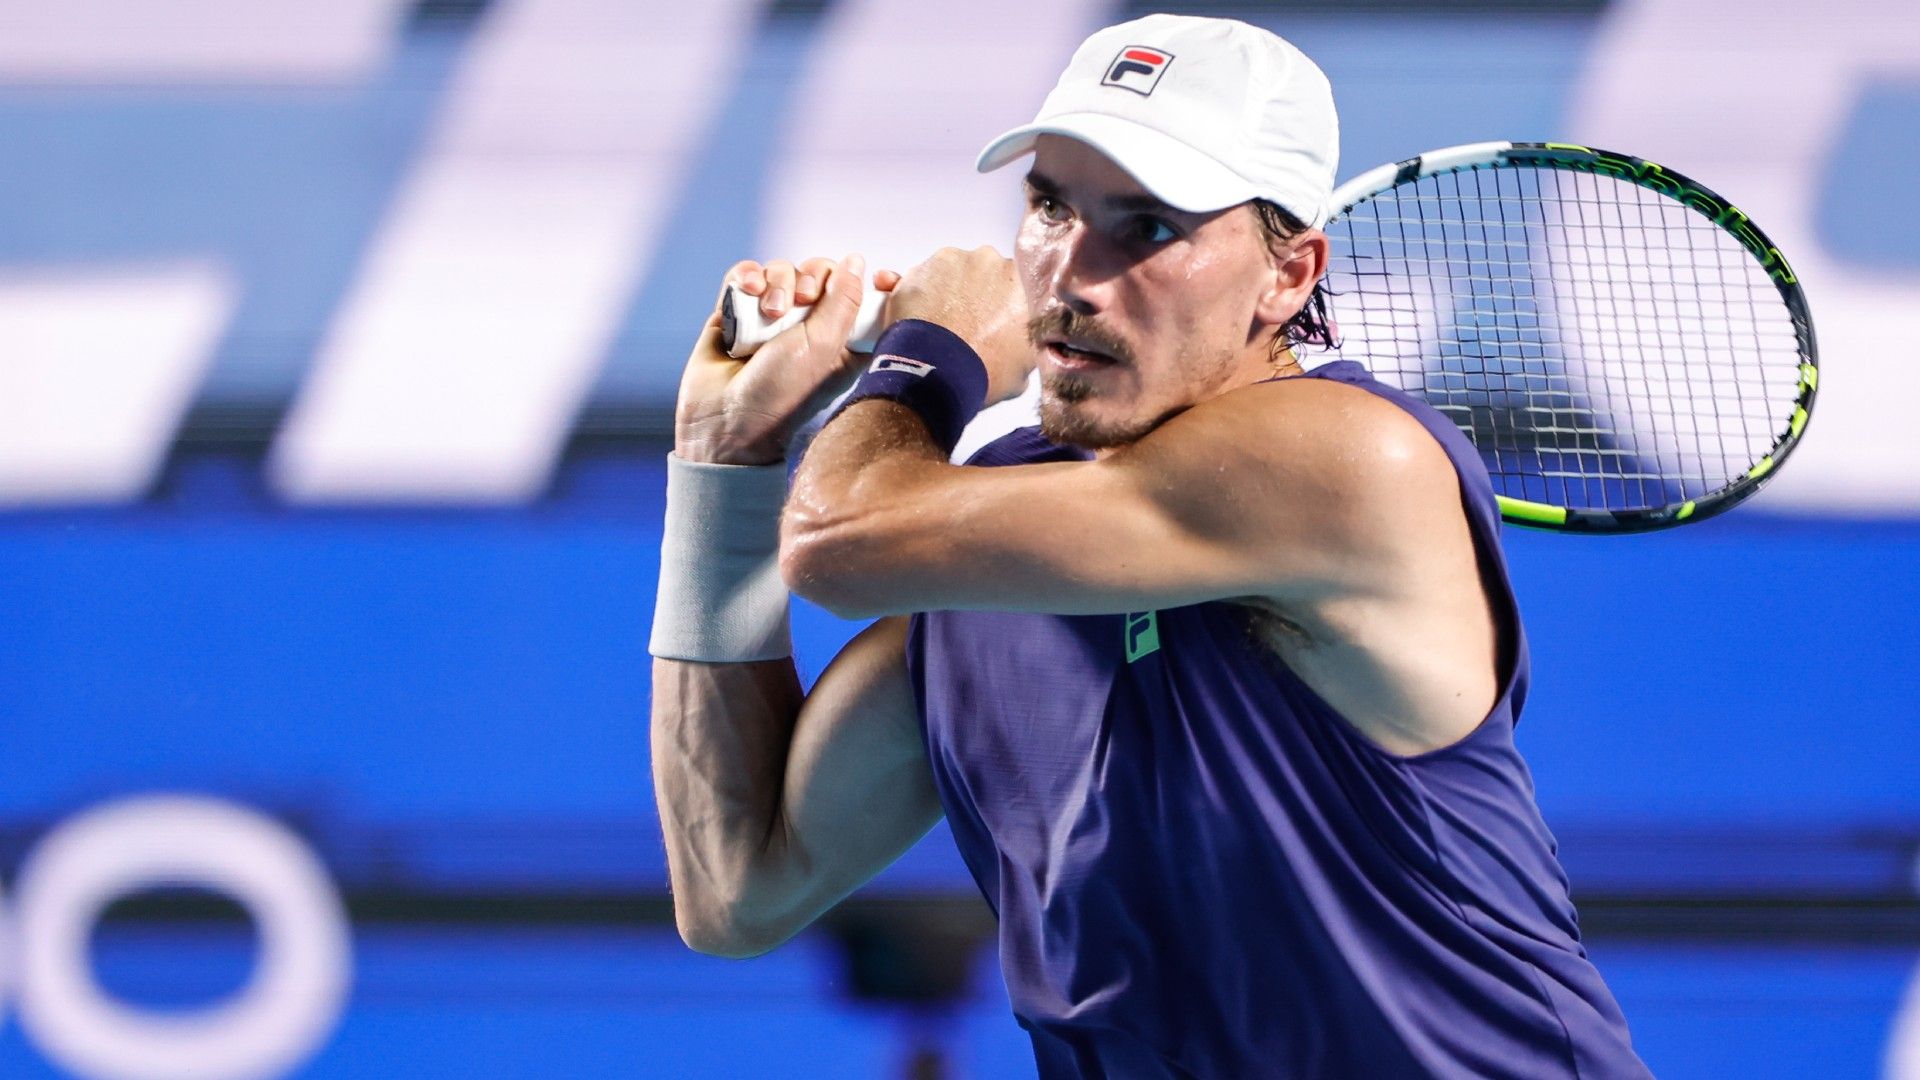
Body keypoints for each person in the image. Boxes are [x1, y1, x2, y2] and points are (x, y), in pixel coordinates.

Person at [649, 13, 1650, 1078]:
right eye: (1051, 206)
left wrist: (930, 356)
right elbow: (736, 886)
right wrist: (725, 453)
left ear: (1289, 275)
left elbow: (834, 542)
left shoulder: (1351, 462)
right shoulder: (990, 545)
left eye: (1148, 227)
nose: (1070, 275)